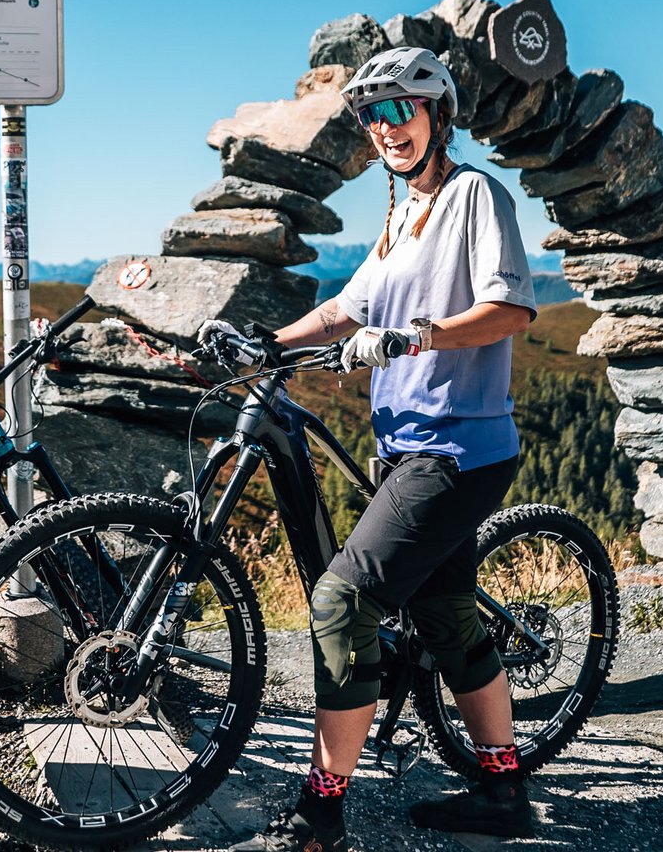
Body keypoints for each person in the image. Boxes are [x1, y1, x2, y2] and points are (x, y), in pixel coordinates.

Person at [217, 47, 539, 850]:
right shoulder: (400, 216)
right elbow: (345, 310)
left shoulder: (475, 196)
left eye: (404, 109)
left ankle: (323, 809)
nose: (387, 127)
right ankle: (503, 794)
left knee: (340, 601)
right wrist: (265, 342)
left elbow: (509, 310)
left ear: (439, 115)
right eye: (374, 114)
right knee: (446, 617)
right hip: (405, 447)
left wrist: (411, 337)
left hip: (460, 450)